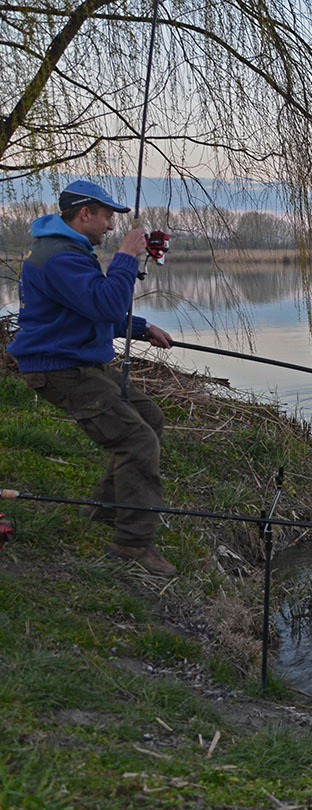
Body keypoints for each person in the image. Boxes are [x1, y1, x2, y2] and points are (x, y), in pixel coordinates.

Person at [8, 180, 177, 577]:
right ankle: (132, 544)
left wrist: (139, 327)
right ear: (85, 213)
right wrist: (125, 257)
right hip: (60, 369)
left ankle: (108, 511)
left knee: (148, 419)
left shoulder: (66, 251)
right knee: (137, 442)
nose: (110, 226)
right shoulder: (60, 257)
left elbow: (85, 308)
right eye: (106, 217)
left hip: (79, 362)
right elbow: (102, 303)